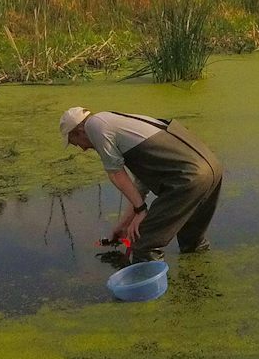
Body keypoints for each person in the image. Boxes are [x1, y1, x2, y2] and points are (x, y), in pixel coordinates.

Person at [60, 106, 224, 261]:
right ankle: (199, 285)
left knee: (143, 245)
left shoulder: (94, 126)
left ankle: (152, 290)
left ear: (79, 131)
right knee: (192, 243)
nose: (82, 149)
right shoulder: (120, 124)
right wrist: (124, 224)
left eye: (76, 143)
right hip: (212, 170)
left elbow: (116, 173)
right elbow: (141, 185)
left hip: (189, 179)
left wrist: (141, 211)